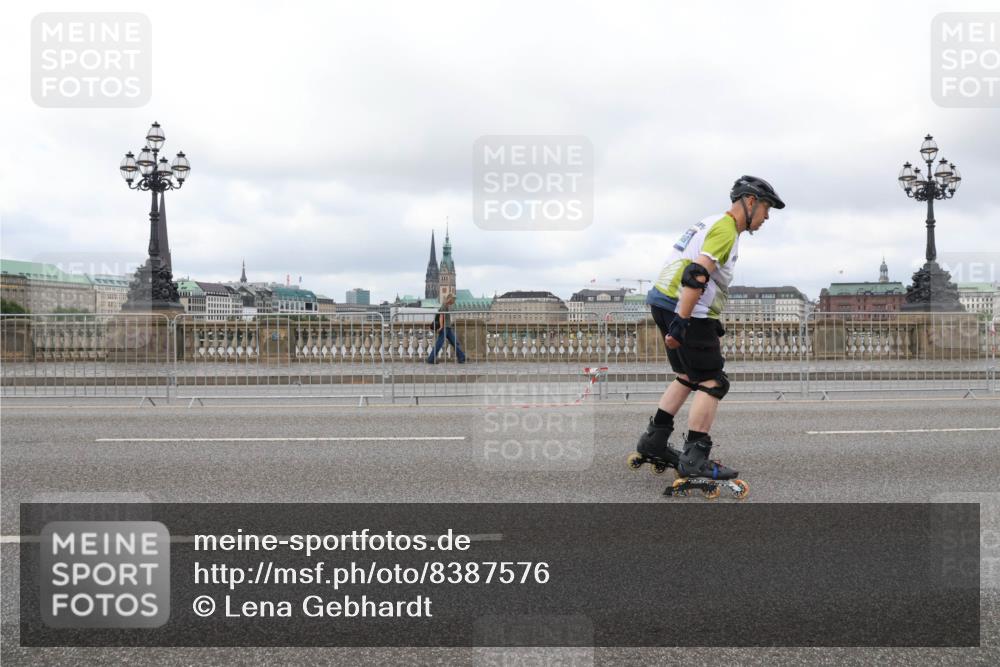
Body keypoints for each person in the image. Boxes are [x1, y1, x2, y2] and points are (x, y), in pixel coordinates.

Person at [635, 176, 785, 479]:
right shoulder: (726, 229)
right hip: (688, 310)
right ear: (751, 201)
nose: (767, 217)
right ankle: (695, 457)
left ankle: (654, 440)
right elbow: (696, 275)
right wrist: (683, 322)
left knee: (688, 376)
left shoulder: (710, 221)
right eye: (767, 208)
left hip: (663, 302)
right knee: (714, 382)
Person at [426, 293, 466, 364]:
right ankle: (431, 359)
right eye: (454, 299)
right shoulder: (444, 305)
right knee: (439, 344)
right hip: (444, 328)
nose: (454, 301)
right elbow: (441, 316)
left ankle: (461, 357)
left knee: (455, 343)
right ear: (450, 299)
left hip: (448, 328)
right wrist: (441, 326)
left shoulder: (447, 305)